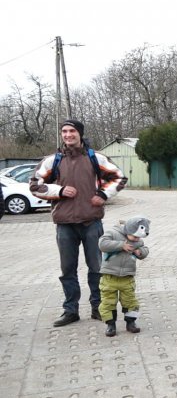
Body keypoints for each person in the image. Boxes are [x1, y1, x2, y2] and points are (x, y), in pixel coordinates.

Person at [31, 119, 127, 327]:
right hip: (64, 224)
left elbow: (119, 177)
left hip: (91, 222)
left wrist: (103, 194)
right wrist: (59, 191)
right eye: (64, 131)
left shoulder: (95, 158)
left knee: (97, 267)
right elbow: (35, 185)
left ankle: (98, 307)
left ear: (80, 134)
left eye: (72, 131)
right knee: (67, 270)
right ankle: (70, 310)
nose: (67, 135)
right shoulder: (52, 161)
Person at [98, 216, 150, 337]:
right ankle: (110, 324)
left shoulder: (137, 241)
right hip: (109, 277)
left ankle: (131, 323)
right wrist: (121, 245)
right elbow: (102, 244)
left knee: (130, 302)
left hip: (127, 277)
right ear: (128, 230)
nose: (137, 239)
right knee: (108, 301)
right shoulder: (113, 233)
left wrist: (140, 252)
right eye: (135, 236)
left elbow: (145, 249)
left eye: (139, 237)